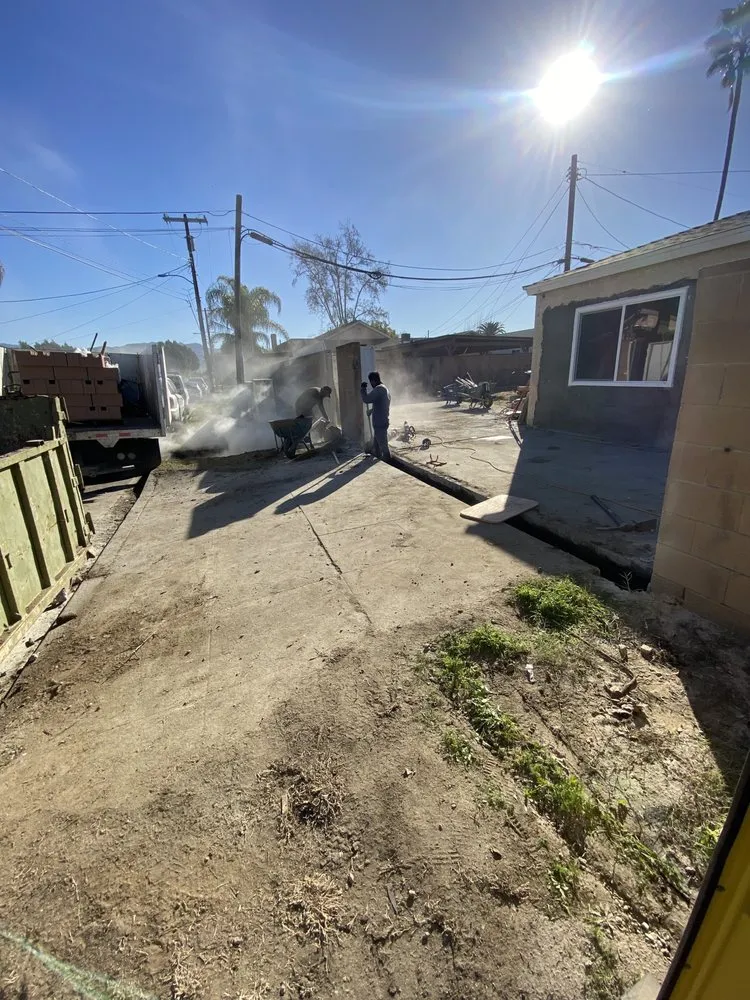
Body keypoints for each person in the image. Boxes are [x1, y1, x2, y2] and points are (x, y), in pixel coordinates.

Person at [360, 371, 391, 460]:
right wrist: (372, 410)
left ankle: (387, 462)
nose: (371, 384)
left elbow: (366, 399)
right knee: (377, 446)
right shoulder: (384, 388)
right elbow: (381, 404)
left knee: (384, 448)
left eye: (371, 382)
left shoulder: (379, 389)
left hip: (380, 422)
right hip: (382, 421)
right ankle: (378, 456)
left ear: (373, 381)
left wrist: (363, 389)